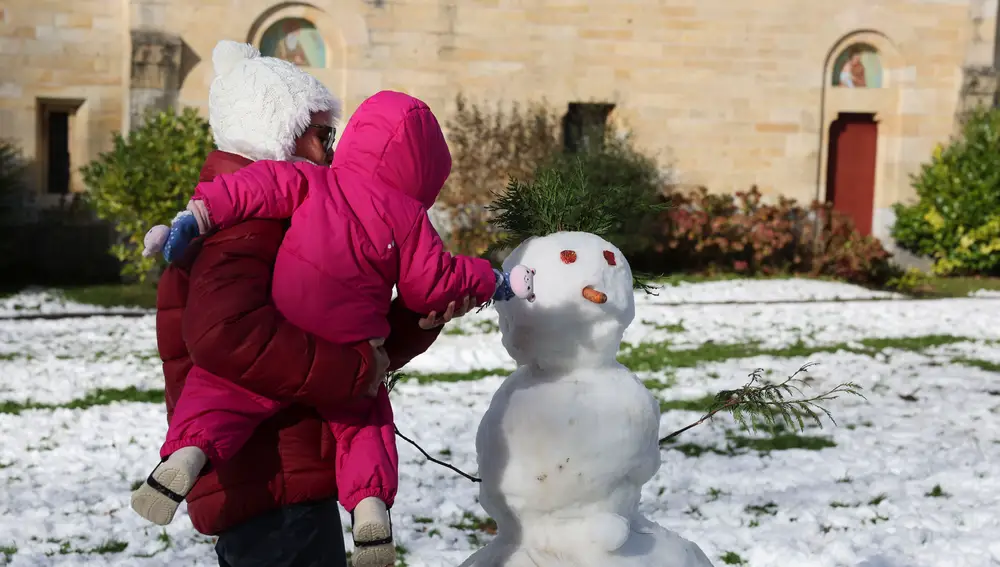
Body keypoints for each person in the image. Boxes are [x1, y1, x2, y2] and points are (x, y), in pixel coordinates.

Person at [134, 46, 533, 567]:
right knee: (361, 421)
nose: (330, 151)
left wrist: (412, 326)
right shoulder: (249, 223)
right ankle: (368, 507)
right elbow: (226, 337)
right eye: (323, 135)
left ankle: (189, 457)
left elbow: (352, 330)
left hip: (283, 472)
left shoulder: (286, 201)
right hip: (273, 482)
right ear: (279, 129)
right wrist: (358, 368)